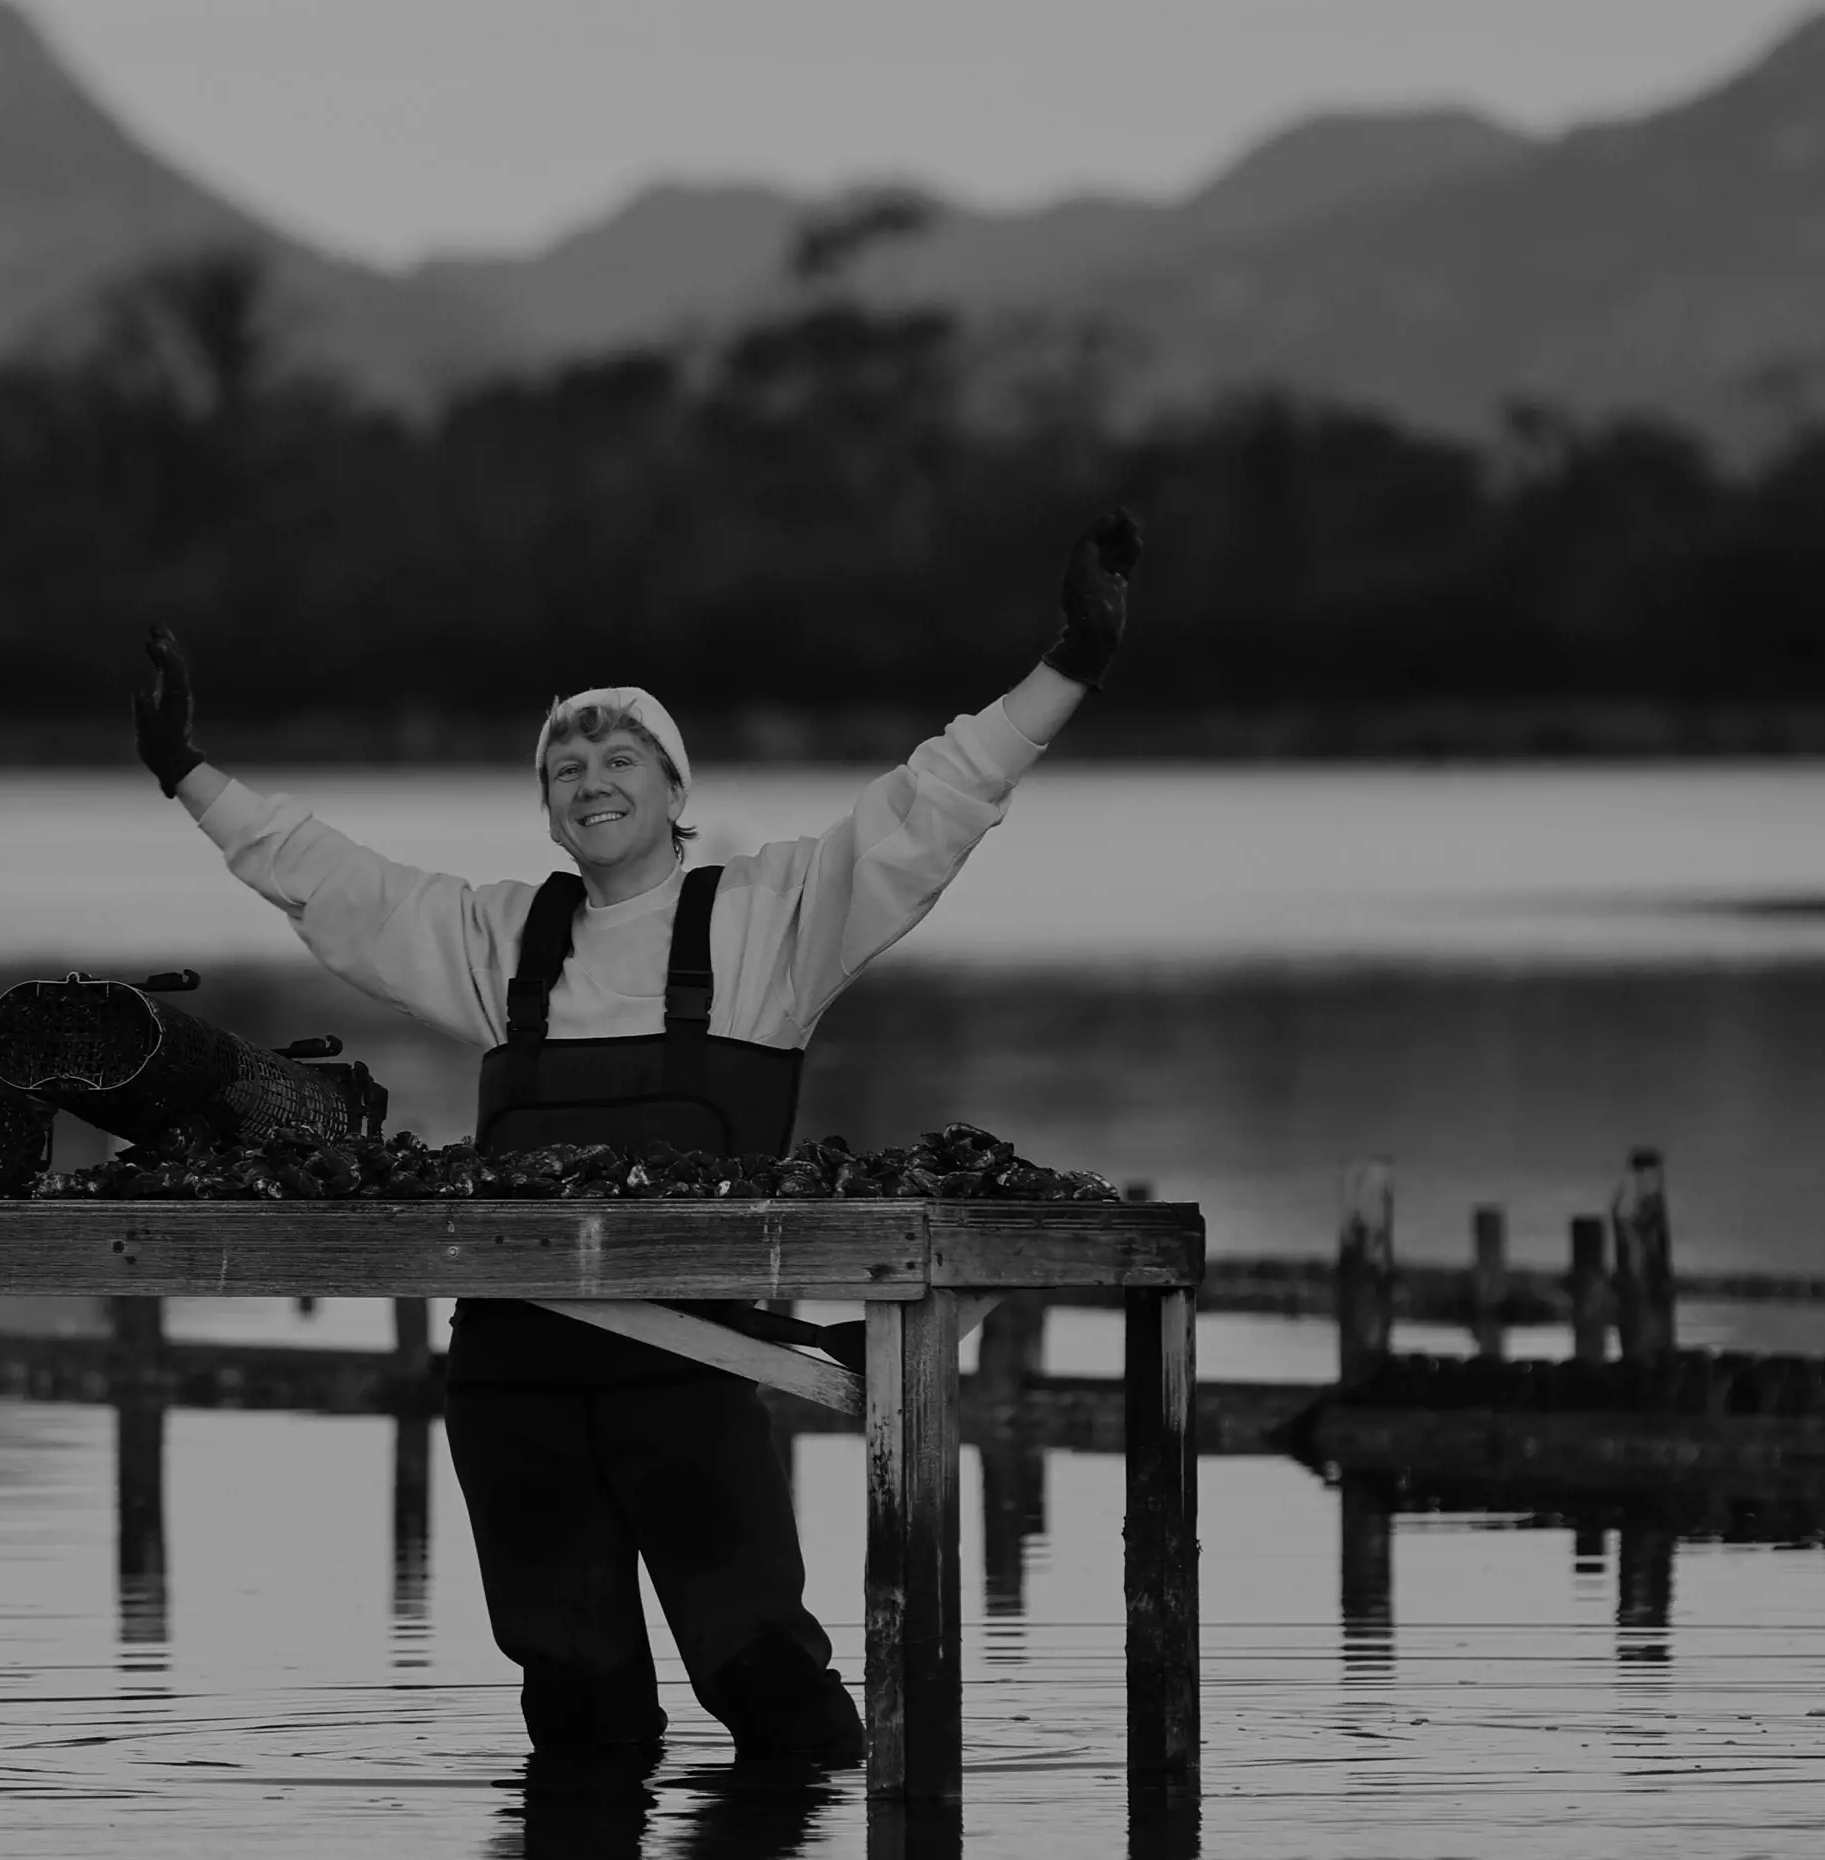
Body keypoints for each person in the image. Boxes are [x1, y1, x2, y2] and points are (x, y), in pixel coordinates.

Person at [130, 511, 1143, 1768]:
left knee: (769, 1684)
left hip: (695, 1364)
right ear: (549, 811)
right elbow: (332, 882)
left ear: (675, 791)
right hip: (513, 1373)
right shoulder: (503, 940)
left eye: (620, 758)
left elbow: (930, 802)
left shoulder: (774, 919)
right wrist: (187, 769)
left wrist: (1071, 663)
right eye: (564, 768)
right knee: (576, 1704)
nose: (591, 778)